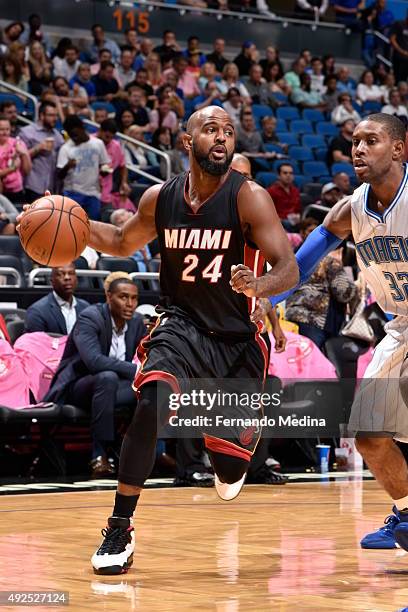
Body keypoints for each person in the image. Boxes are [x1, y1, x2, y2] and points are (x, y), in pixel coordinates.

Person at [20, 106, 299, 573]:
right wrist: (63, 221)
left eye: (229, 132)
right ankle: (119, 528)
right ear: (187, 143)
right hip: (181, 325)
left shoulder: (249, 197)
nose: (222, 138)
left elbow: (286, 267)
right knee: (152, 401)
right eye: (210, 130)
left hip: (237, 340)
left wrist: (259, 286)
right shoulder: (159, 198)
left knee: (229, 476)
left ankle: (234, 431)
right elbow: (122, 241)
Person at [265, 113, 408, 553]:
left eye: (372, 140)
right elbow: (299, 266)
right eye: (355, 141)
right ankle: (406, 513)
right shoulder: (351, 210)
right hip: (401, 326)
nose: (359, 149)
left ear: (399, 149)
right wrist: (262, 298)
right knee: (368, 436)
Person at [45, 277, 146, 478]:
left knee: (152, 384)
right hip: (79, 386)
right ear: (109, 297)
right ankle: (99, 455)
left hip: (114, 389)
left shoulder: (136, 323)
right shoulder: (90, 317)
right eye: (123, 297)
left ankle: (153, 453)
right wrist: (134, 370)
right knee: (107, 377)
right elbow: (94, 362)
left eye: (134, 298)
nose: (129, 304)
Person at [57, 115, 110, 220]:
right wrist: (68, 166)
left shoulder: (98, 143)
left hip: (93, 193)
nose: (74, 138)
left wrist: (105, 170)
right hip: (72, 193)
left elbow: (104, 164)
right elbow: (59, 175)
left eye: (76, 135)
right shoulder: (66, 148)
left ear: (82, 128)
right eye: (71, 136)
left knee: (93, 227)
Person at [25, 263, 89, 334]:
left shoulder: (85, 308)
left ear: (76, 279)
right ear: (52, 281)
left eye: (71, 273)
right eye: (61, 274)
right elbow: (34, 343)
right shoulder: (37, 311)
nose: (67, 278)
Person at [20, 101, 65, 202]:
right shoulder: (27, 132)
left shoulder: (57, 135)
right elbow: (19, 159)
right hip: (33, 184)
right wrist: (38, 148)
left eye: (56, 115)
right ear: (41, 115)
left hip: (51, 186)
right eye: (51, 115)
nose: (55, 118)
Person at [0, 117, 31, 204]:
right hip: (2, 192)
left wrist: (24, 154)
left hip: (17, 191)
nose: (5, 132)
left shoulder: (17, 143)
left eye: (7, 129)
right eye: (1, 129)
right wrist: (12, 169)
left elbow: (27, 171)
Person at [390, 11, 408, 83]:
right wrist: (402, 51)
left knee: (404, 81)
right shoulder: (399, 24)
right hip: (399, 58)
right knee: (397, 80)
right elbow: (392, 39)